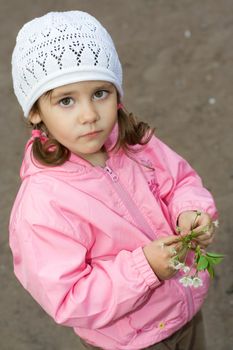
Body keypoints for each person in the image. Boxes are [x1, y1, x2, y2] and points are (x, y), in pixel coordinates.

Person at [10, 11, 217, 350]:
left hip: (185, 311)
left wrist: (190, 212)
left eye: (100, 93)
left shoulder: (135, 143)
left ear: (117, 93)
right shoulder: (43, 204)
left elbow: (180, 182)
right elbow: (68, 298)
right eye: (66, 100)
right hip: (129, 341)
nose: (89, 114)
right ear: (35, 111)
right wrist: (144, 269)